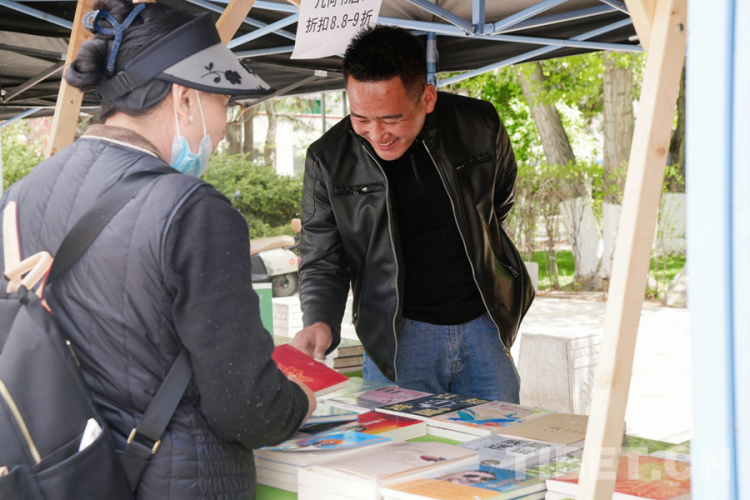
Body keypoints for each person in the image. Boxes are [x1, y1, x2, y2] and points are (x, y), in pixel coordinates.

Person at [0, 1, 315, 498]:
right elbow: (245, 407)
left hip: (66, 473)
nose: (224, 127)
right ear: (185, 98)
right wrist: (300, 401)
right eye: (224, 103)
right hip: (179, 481)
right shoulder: (194, 209)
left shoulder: (18, 197)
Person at [292, 26, 534, 403]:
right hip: (397, 338)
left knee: (500, 438)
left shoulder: (480, 124)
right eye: (361, 118)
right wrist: (319, 319)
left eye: (392, 119)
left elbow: (498, 201)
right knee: (397, 439)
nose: (377, 134)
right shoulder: (327, 159)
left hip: (484, 325)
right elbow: (322, 256)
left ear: (427, 98)